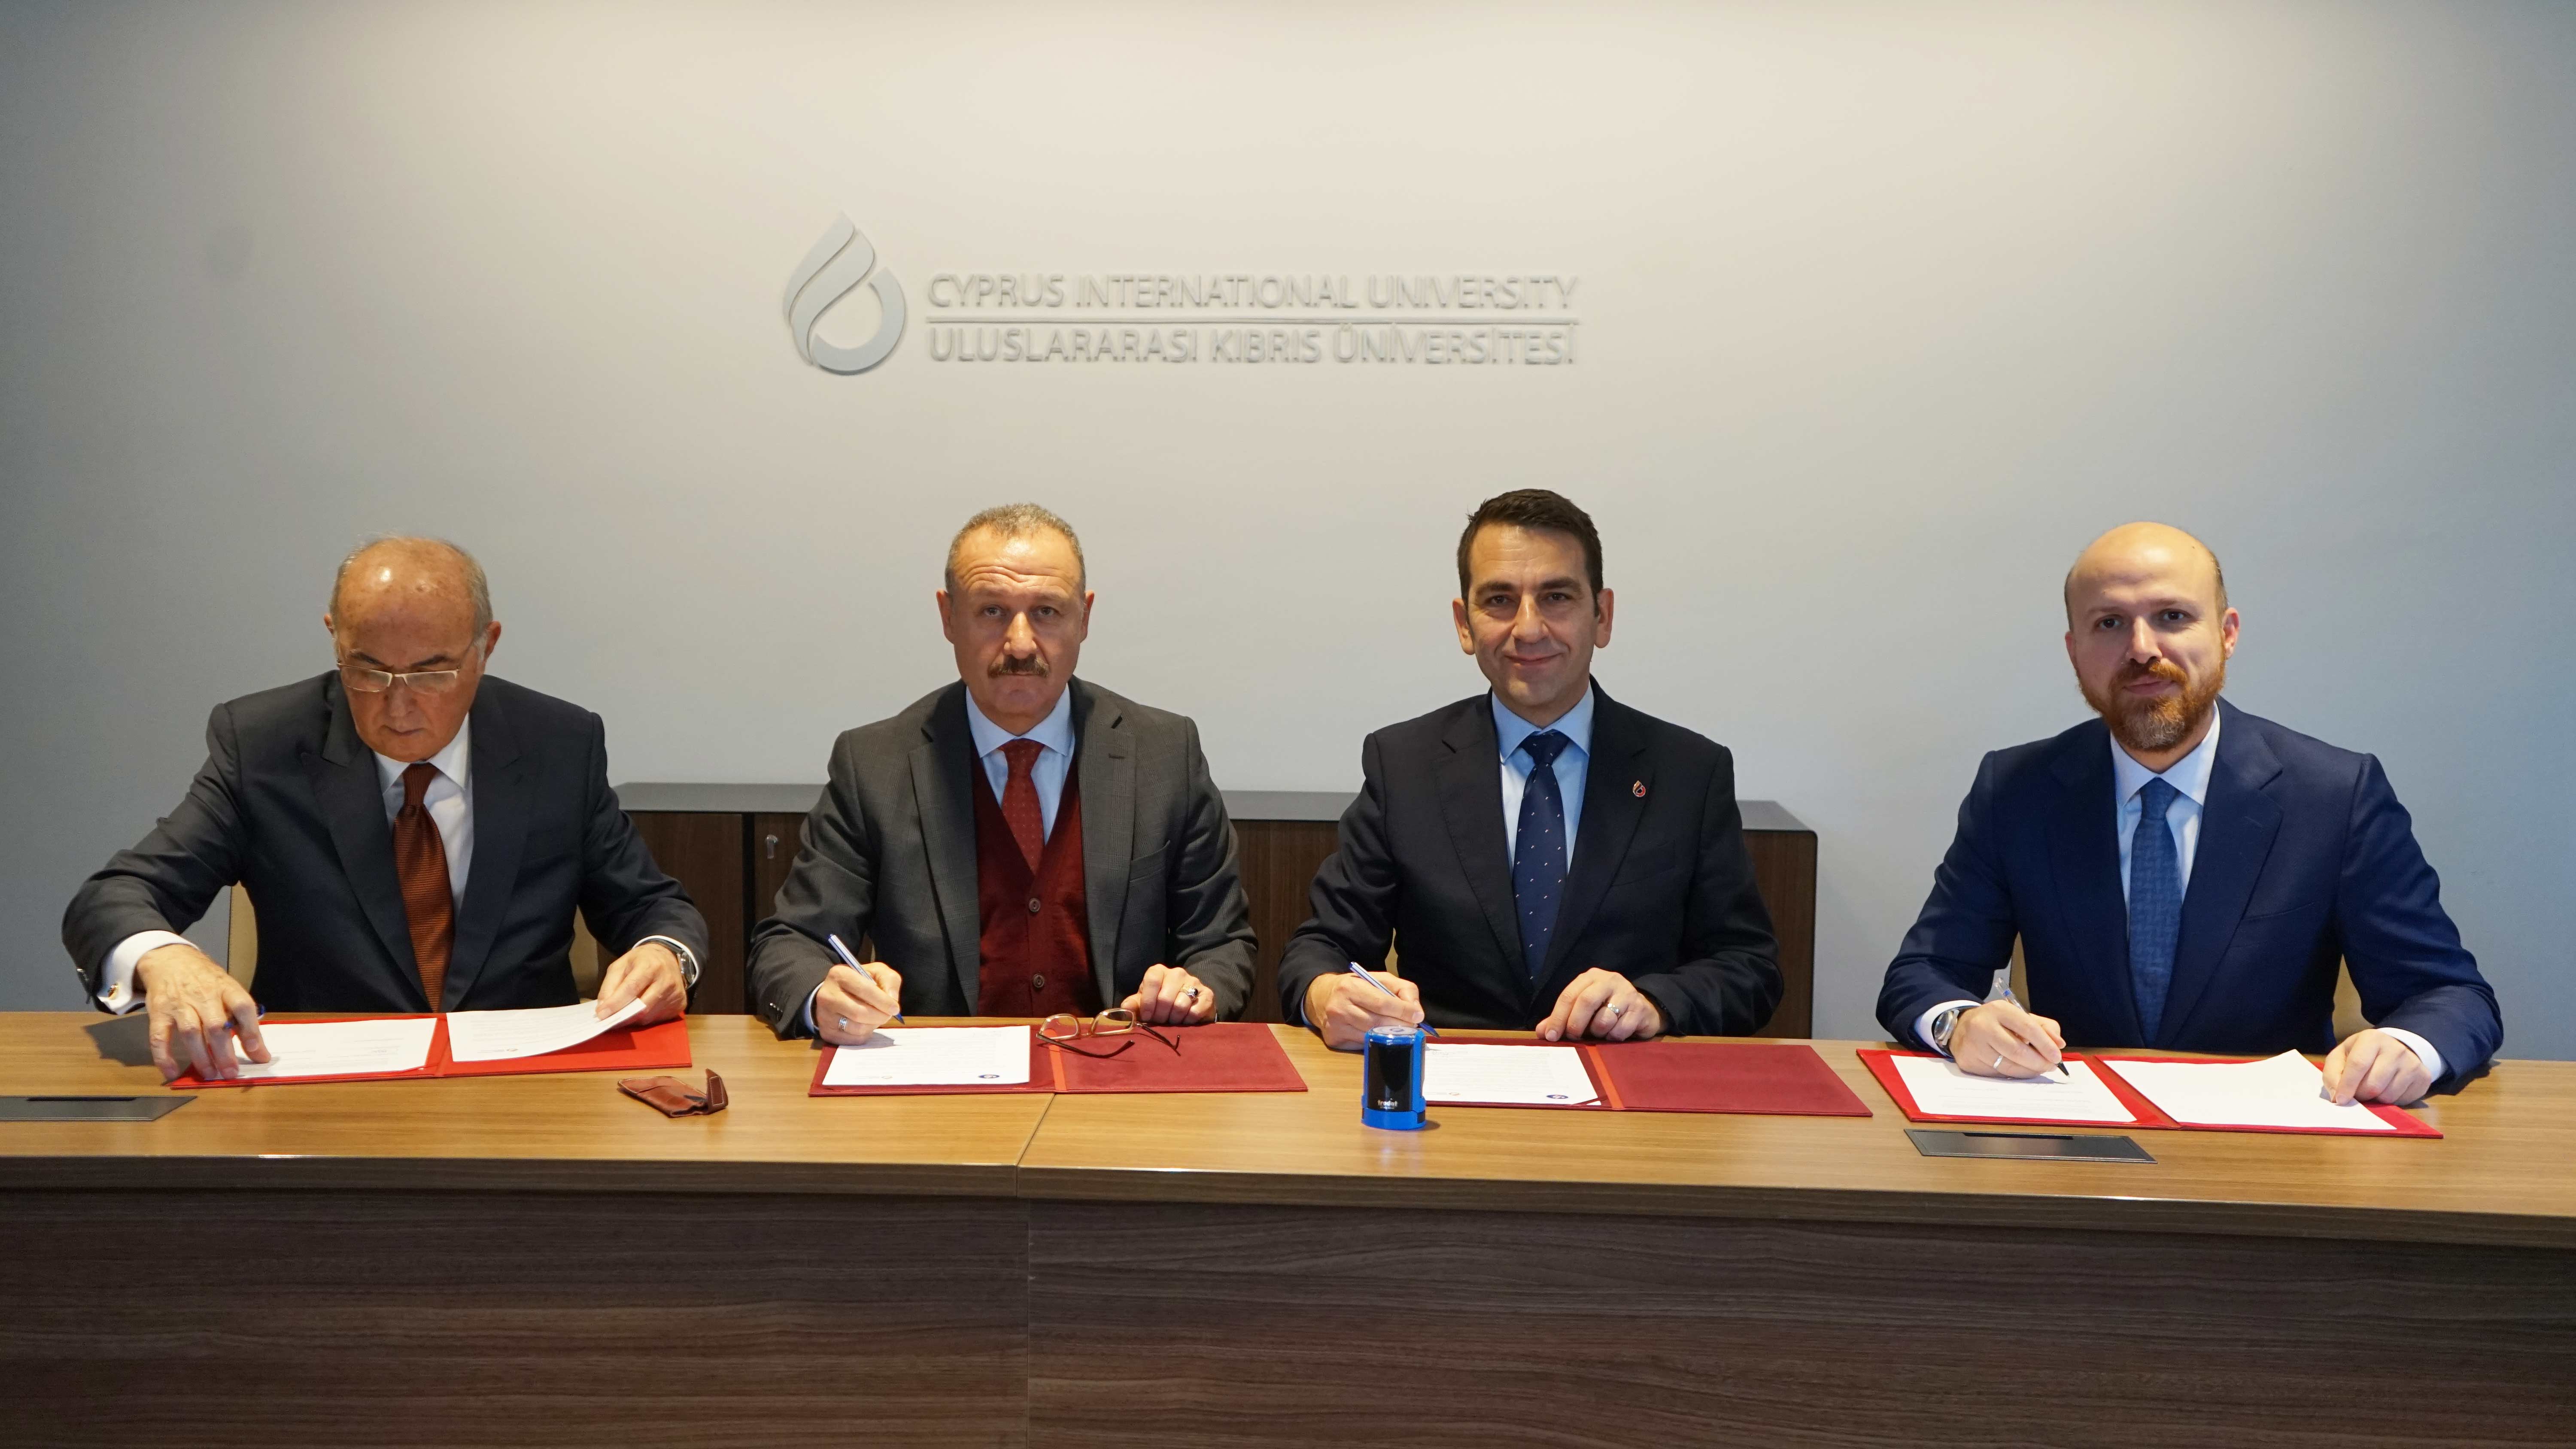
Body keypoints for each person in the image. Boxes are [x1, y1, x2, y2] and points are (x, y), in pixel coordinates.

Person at [1877, 521, 2501, 1104]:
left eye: (2172, 617)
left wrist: (2408, 1048)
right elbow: (1924, 972)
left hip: (2277, 1144)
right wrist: (1959, 1024)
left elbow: (2448, 995)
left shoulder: (2335, 795)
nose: (2142, 648)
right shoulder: (2017, 790)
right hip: (2076, 1135)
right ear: (2074, 650)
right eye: (2109, 623)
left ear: (2227, 633)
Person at [64, 537, 710, 1082]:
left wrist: (664, 956)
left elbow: (654, 908)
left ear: (486, 647)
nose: (398, 708)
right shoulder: (264, 747)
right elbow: (114, 897)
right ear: (335, 639)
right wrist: (164, 957)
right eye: (368, 671)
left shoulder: (557, 745)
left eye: (432, 674)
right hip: (323, 1091)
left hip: (523, 1085)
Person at [1277, 488, 1782, 1045]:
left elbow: (1749, 967)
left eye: (1556, 597)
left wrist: (1656, 1003)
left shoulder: (1689, 772)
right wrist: (1326, 995)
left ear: (1603, 616)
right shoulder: (1404, 765)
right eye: (1499, 600)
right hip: (1450, 1077)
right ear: (1464, 624)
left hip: (1624, 1081)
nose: (1529, 628)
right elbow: (1322, 948)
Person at [746, 503, 1256, 1042]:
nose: (1020, 644)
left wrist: (1194, 992)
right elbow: (790, 945)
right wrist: (822, 998)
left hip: (1121, 1071)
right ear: (948, 616)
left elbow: (1223, 945)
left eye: (1047, 612)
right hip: (941, 1079)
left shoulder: (1164, 756)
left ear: (1084, 618)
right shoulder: (875, 766)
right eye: (992, 611)